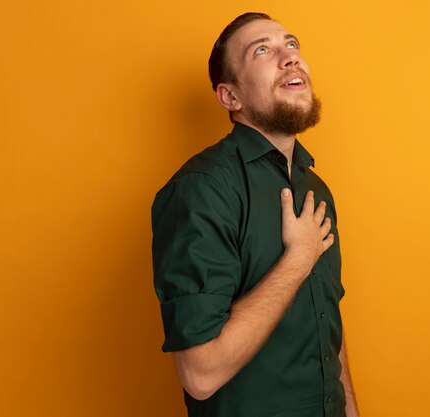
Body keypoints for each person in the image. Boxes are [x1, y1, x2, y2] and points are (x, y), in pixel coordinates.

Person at [151, 12, 359, 417]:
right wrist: (298, 260)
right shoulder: (202, 188)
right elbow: (200, 374)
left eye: (292, 44)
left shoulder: (317, 190)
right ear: (231, 97)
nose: (289, 58)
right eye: (262, 50)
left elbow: (326, 319)